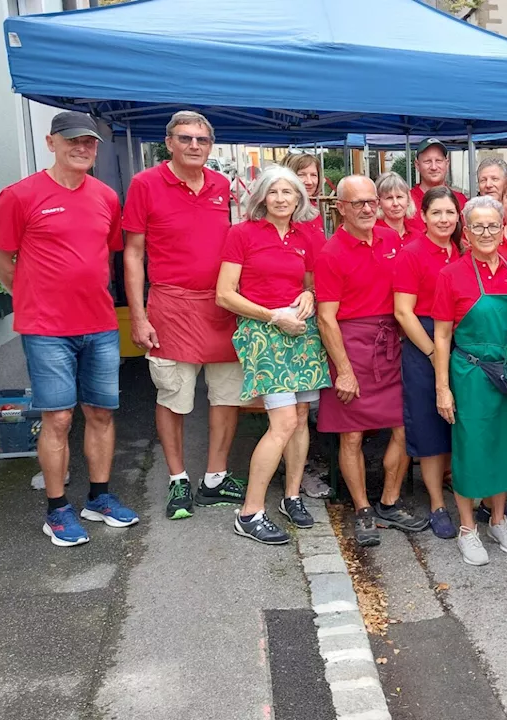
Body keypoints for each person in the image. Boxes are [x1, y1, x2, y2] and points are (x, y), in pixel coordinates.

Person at [0, 111, 137, 546]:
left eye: (89, 143)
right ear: (51, 143)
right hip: (47, 328)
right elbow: (0, 259)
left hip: (100, 324)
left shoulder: (106, 197)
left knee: (101, 412)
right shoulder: (20, 196)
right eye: (72, 141)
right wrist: (30, 299)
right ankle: (56, 510)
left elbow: (105, 251)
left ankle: (99, 497)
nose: (82, 148)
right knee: (58, 416)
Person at [122, 110, 248, 521]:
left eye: (202, 140)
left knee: (227, 395)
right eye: (185, 138)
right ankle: (177, 480)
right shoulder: (145, 184)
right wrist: (138, 316)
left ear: (210, 146)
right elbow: (134, 253)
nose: (194, 146)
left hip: (220, 306)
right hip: (171, 306)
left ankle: (214, 477)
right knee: (174, 397)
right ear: (169, 142)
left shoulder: (222, 185)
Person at [216, 166, 329, 544]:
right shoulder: (242, 234)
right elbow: (225, 294)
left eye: (289, 192)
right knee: (281, 422)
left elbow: (310, 284)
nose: (282, 198)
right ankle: (249, 513)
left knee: (300, 418)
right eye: (275, 191)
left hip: (299, 333)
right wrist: (273, 316)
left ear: (300, 199)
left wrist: (309, 296)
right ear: (262, 196)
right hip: (262, 333)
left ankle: (292, 496)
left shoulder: (303, 237)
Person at [317, 175, 429, 546]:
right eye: (358, 203)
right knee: (352, 435)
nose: (367, 209)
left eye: (371, 202)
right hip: (350, 346)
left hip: (390, 343)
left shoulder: (391, 239)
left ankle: (389, 502)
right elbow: (325, 317)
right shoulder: (330, 252)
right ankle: (362, 509)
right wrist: (344, 371)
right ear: (341, 209)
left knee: (403, 426)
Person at [432, 196, 507, 565]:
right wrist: (442, 387)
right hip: (471, 373)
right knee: (471, 449)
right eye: (478, 226)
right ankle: (467, 528)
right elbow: (442, 336)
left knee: (504, 446)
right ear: (466, 230)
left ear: (503, 226)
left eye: (493, 225)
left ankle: (497, 519)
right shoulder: (451, 275)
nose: (486, 233)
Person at [394, 187, 461, 539]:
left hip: (461, 341)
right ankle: (436, 504)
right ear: (423, 216)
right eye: (437, 213)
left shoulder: (462, 250)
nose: (444, 219)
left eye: (450, 213)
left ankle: (476, 495)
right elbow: (402, 312)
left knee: (464, 425)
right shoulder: (412, 253)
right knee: (430, 426)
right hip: (425, 341)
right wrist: (435, 354)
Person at [407, 138, 467, 236]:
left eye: (438, 161)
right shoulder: (406, 201)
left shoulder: (460, 200)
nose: (434, 167)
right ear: (417, 165)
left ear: (447, 163)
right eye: (427, 161)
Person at [284, 153, 327, 238]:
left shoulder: (314, 209)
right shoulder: (284, 212)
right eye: (301, 175)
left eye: (313, 175)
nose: (309, 182)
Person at [375, 171, 422, 244]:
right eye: (389, 198)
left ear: (408, 199)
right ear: (378, 202)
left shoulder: (418, 237)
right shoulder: (373, 236)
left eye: (399, 197)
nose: (395, 203)